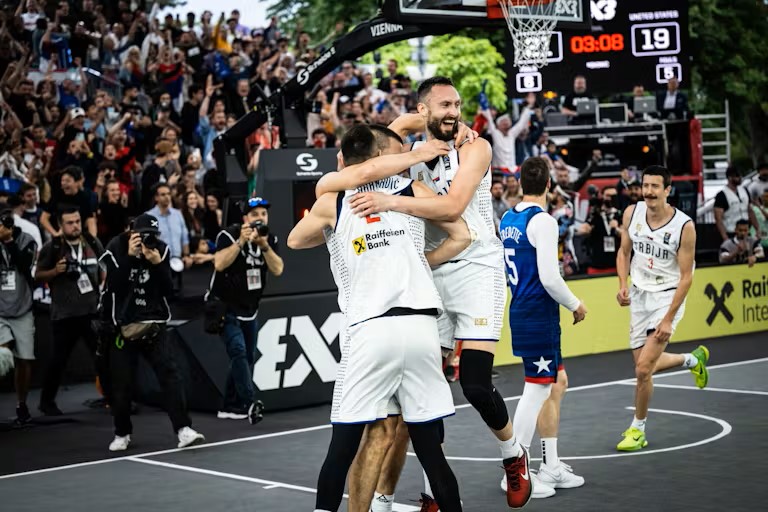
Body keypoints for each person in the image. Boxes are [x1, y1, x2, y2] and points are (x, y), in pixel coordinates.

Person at [324, 76, 531, 509]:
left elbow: (453, 208)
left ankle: (513, 454)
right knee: (416, 401)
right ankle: (425, 494)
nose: (454, 112)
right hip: (430, 273)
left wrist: (392, 201)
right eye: (444, 105)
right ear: (423, 111)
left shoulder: (476, 147)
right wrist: (412, 140)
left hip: (477, 267)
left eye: (457, 104)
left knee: (474, 384)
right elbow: (369, 155)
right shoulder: (407, 145)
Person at [288, 124, 468, 512]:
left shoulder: (332, 200)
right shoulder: (412, 191)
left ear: (345, 160)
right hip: (421, 327)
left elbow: (295, 240)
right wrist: (420, 261)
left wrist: (335, 234)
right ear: (382, 155)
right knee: (430, 450)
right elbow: (462, 235)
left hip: (370, 329)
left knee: (343, 445)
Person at [497, 156, 588, 499]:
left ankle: (550, 465)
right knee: (537, 388)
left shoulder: (508, 218)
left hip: (524, 308)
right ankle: (515, 473)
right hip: (538, 312)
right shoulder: (544, 221)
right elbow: (550, 277)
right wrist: (575, 303)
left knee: (557, 382)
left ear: (520, 182)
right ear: (549, 184)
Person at [615, 165, 709, 451]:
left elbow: (686, 277)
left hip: (667, 297)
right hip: (639, 295)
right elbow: (624, 251)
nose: (649, 191)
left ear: (667, 190)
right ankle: (692, 360)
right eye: (646, 185)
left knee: (643, 370)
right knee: (644, 365)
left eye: (655, 186)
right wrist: (622, 284)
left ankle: (637, 429)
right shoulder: (632, 213)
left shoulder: (684, 226)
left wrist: (668, 319)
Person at [100, 214, 205, 451]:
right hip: (124, 327)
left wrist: (158, 264)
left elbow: (169, 290)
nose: (148, 239)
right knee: (122, 385)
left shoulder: (160, 249)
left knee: (171, 376)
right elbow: (114, 286)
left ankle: (183, 429)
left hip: (155, 325)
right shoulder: (117, 246)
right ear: (131, 232)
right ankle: (122, 432)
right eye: (143, 234)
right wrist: (130, 256)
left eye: (153, 235)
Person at [208, 196, 284, 422]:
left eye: (263, 214)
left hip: (250, 308)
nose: (260, 218)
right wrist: (241, 241)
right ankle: (249, 403)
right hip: (224, 306)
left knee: (247, 357)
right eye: (255, 215)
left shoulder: (269, 238)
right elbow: (219, 263)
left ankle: (229, 406)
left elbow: (278, 269)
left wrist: (264, 246)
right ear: (245, 218)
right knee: (238, 350)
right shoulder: (228, 235)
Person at [35, 207, 108, 416]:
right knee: (58, 361)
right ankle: (46, 402)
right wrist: (55, 271)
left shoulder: (92, 242)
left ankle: (115, 398)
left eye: (77, 221)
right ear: (60, 225)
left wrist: (104, 282)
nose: (75, 226)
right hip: (64, 314)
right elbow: (38, 276)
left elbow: (104, 267)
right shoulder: (53, 247)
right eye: (70, 222)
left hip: (91, 311)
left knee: (103, 358)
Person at [0, 206, 38, 422]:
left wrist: (9, 242)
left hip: (23, 307)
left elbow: (25, 265)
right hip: (0, 310)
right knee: (3, 355)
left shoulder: (28, 240)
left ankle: (21, 404)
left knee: (24, 360)